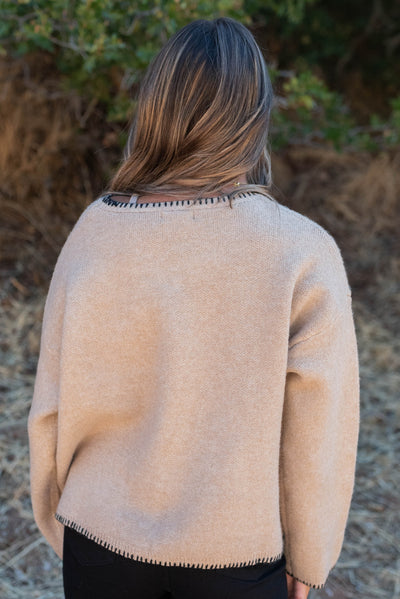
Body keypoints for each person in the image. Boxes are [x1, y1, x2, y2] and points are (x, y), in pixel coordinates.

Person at [27, 16, 360, 599]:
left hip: (98, 541)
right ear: (254, 116)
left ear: (156, 107)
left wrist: (58, 517)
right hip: (235, 560)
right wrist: (310, 556)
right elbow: (319, 430)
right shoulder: (302, 251)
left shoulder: (96, 230)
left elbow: (52, 405)